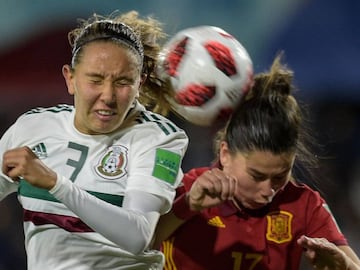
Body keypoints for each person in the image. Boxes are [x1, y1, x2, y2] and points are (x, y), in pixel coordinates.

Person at [0, 10, 188, 270]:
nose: (108, 96)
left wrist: (55, 183)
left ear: (139, 84)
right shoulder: (32, 128)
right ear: (70, 78)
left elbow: (138, 235)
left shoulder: (158, 138)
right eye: (96, 80)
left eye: (123, 82)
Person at [153, 55, 360, 270]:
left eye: (280, 176)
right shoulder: (190, 189)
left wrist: (342, 265)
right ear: (225, 154)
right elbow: (134, 247)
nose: (268, 191)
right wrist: (187, 206)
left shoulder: (303, 204)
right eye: (257, 176)